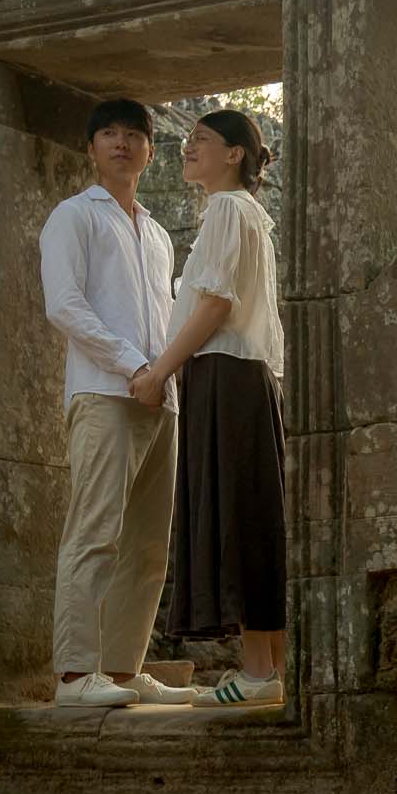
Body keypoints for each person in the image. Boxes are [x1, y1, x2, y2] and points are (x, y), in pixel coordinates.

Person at [39, 99, 195, 708]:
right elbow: (65, 305)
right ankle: (76, 676)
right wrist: (134, 368)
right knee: (95, 530)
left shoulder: (157, 235)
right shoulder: (73, 217)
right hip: (106, 391)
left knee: (150, 542)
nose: (122, 143)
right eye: (110, 133)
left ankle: (124, 671)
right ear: (91, 147)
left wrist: (164, 376)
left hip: (163, 398)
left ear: (151, 152)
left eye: (135, 135)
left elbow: (166, 318)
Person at [132, 109, 289, 706]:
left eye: (201, 141)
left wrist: (158, 373)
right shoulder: (248, 216)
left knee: (237, 516)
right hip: (244, 378)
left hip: (224, 373)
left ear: (234, 155)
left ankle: (256, 670)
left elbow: (216, 303)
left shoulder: (227, 210)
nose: (186, 149)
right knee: (251, 514)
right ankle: (267, 669)